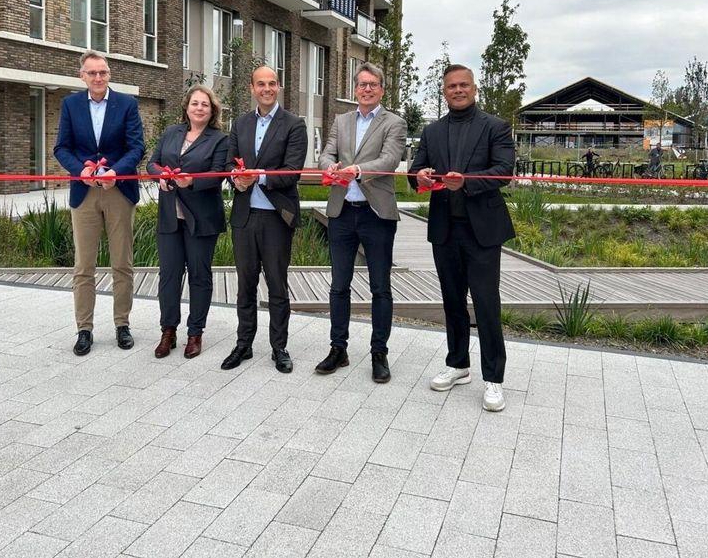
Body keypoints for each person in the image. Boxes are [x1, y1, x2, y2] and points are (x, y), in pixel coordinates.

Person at [409, 64, 516, 412]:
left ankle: (494, 379)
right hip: (445, 228)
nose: (458, 90)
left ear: (474, 88)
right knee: (452, 301)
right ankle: (458, 365)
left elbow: (504, 172)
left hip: (481, 231)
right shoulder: (433, 130)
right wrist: (420, 176)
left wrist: (466, 181)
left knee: (486, 304)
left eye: (463, 85)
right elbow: (415, 171)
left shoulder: (495, 127)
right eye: (451, 86)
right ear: (444, 91)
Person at [316, 62, 406, 383]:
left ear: (382, 89)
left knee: (380, 287)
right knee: (339, 285)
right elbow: (325, 154)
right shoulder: (341, 121)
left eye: (373, 84)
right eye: (362, 84)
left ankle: (379, 353)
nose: (366, 89)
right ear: (355, 89)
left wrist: (356, 170)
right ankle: (338, 348)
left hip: (376, 214)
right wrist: (330, 166)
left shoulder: (394, 123)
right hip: (341, 212)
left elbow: (390, 160)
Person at [54, 51, 145, 356]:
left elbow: (137, 147)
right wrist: (80, 170)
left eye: (103, 72)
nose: (98, 78)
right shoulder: (70, 105)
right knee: (84, 267)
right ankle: (84, 329)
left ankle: (122, 324)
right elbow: (62, 148)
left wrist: (115, 172)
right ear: (82, 75)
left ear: (109, 74)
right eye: (92, 73)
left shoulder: (127, 104)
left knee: (122, 263)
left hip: (118, 191)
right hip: (84, 192)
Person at [221, 65, 308, 374]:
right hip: (245, 215)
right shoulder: (241, 124)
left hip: (276, 216)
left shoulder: (294, 125)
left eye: (272, 83)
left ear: (279, 86)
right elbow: (229, 163)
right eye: (261, 84)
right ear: (252, 88)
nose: (267, 88)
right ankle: (243, 344)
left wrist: (254, 177)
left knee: (276, 285)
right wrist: (236, 179)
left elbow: (292, 170)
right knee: (245, 284)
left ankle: (279, 347)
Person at [147, 85, 229, 360]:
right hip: (170, 215)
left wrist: (192, 180)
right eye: (195, 103)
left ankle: (195, 333)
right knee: (169, 275)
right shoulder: (172, 132)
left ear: (212, 110)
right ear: (187, 106)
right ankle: (168, 331)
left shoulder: (220, 139)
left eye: (205, 104)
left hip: (202, 218)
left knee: (199, 275)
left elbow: (219, 174)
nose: (199, 108)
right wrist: (159, 175)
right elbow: (152, 163)